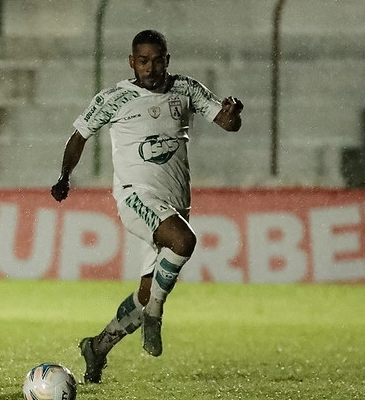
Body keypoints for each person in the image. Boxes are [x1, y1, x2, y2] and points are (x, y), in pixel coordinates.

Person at [50, 29, 243, 384]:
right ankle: (155, 313)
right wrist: (64, 177)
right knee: (184, 242)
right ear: (131, 62)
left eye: (156, 61)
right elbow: (79, 136)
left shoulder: (186, 89)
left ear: (167, 60)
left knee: (144, 293)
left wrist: (234, 113)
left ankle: (98, 346)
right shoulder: (115, 98)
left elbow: (228, 123)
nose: (150, 68)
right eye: (143, 61)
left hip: (175, 203)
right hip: (135, 196)